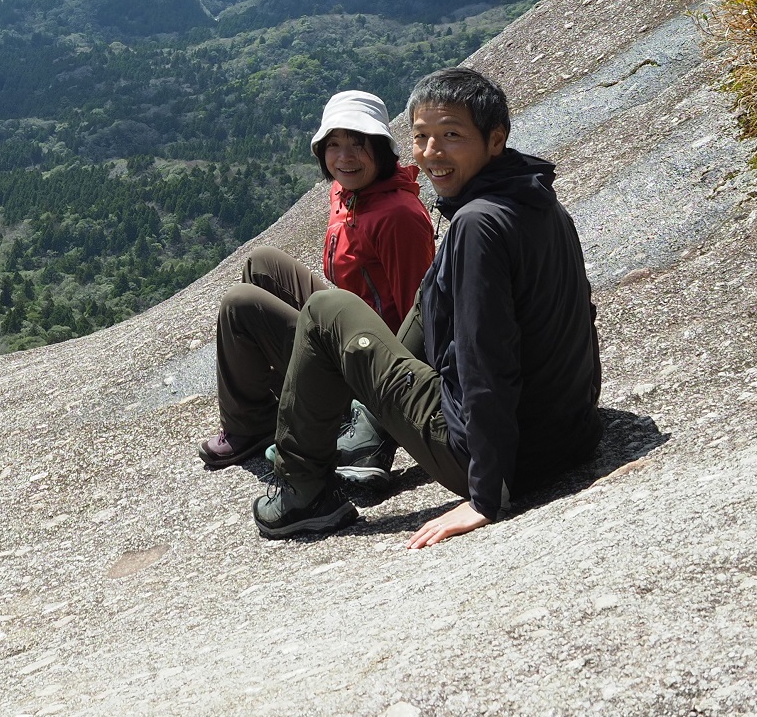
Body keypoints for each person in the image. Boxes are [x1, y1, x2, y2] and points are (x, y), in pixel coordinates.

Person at [251, 67, 603, 545]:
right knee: (433, 284)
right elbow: (582, 312)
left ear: (495, 139)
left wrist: (486, 495)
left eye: (451, 136)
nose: (432, 153)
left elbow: (487, 358)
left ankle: (302, 492)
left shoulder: (477, 226)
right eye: (420, 137)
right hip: (565, 438)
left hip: (500, 458)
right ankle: (371, 433)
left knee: (325, 312)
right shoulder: (536, 198)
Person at [198, 89, 434, 476]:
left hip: (370, 363)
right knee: (262, 264)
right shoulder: (347, 193)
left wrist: (386, 406)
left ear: (382, 148)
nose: (345, 158)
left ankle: (254, 425)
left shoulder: (397, 216)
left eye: (359, 144)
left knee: (240, 303)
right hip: (348, 326)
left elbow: (420, 314)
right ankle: (269, 408)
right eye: (334, 145)